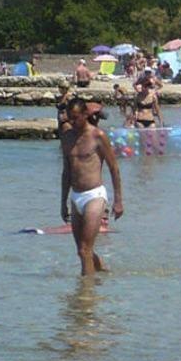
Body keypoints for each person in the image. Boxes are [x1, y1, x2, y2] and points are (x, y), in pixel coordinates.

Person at [59, 97, 124, 274]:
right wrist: (63, 202)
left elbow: (114, 168)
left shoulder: (98, 136)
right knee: (82, 251)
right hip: (76, 196)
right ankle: (102, 271)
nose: (72, 122)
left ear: (85, 115)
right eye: (70, 118)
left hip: (94, 195)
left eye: (76, 118)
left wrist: (118, 201)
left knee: (84, 250)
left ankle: (86, 290)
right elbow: (66, 172)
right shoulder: (67, 138)